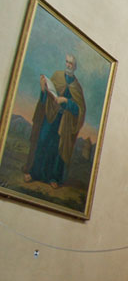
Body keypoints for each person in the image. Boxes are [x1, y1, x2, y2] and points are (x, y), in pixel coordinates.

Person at [24, 53, 86, 188]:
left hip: (64, 122)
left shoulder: (77, 87)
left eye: (71, 63)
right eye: (67, 62)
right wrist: (43, 89)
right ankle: (34, 173)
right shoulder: (57, 76)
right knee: (42, 141)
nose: (68, 65)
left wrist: (67, 101)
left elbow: (80, 109)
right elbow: (47, 97)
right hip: (50, 117)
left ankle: (53, 178)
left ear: (75, 67)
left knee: (58, 149)